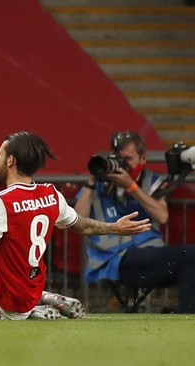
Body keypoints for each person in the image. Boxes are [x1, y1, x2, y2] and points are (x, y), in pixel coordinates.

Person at [0, 131, 151, 321]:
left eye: (0, 155)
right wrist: (114, 227)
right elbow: (82, 226)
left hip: (5, 302)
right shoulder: (51, 194)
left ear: (11, 160)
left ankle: (30, 312)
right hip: (30, 283)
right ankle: (41, 298)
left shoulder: (0, 202)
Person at [75, 131, 195, 313]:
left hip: (150, 254)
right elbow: (77, 219)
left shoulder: (152, 181)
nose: (123, 164)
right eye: (118, 158)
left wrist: (131, 186)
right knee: (190, 255)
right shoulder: (99, 184)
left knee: (190, 258)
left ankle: (184, 312)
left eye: (128, 159)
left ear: (143, 159)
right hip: (115, 258)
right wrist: (92, 180)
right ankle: (186, 314)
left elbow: (162, 216)